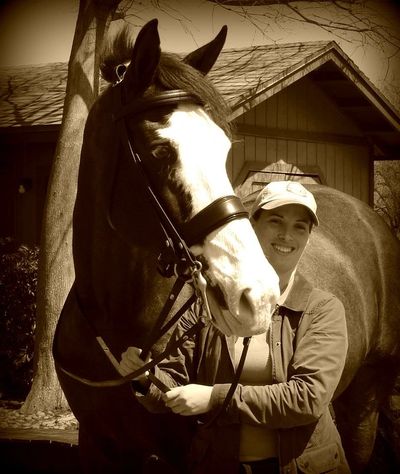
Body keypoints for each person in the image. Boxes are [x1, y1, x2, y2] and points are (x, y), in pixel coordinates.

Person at [120, 181, 350, 474]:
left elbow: (307, 398)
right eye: (275, 221)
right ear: (252, 228)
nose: (286, 235)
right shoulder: (207, 306)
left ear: (307, 238)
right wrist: (145, 378)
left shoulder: (322, 310)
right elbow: (175, 385)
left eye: (300, 227)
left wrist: (213, 398)